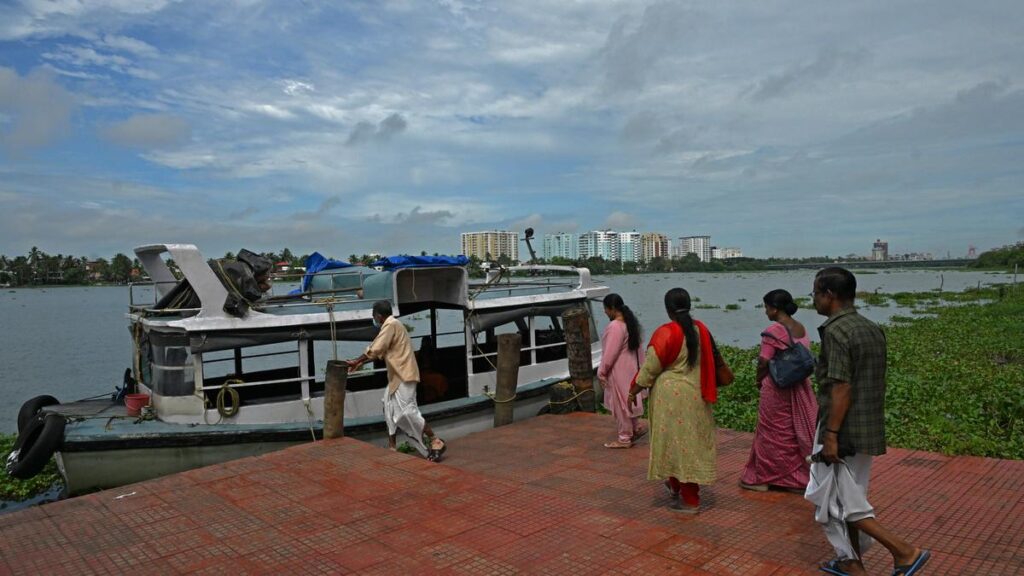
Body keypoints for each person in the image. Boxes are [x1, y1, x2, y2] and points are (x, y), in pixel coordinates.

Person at [807, 268, 930, 576]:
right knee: (848, 497)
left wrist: (831, 434)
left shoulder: (836, 331)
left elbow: (841, 386)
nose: (814, 300)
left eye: (815, 293)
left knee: (829, 501)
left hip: (842, 430)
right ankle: (852, 564)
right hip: (867, 427)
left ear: (829, 295)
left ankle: (904, 551)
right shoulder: (870, 327)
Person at [628, 288, 721, 513]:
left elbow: (650, 369)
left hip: (669, 398)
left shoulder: (666, 333)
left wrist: (633, 390)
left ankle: (690, 501)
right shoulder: (702, 330)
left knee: (674, 442)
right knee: (688, 443)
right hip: (695, 395)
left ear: (668, 309)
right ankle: (675, 484)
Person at [346, 300, 447, 461]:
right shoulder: (393, 326)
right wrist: (359, 362)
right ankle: (392, 447)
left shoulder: (391, 324)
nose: (374, 319)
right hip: (397, 377)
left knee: (407, 412)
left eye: (374, 316)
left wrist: (357, 360)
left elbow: (377, 347)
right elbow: (379, 350)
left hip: (404, 375)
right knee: (389, 408)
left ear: (378, 316)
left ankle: (436, 440)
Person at [739, 289, 819, 492]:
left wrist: (758, 380)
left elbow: (764, 361)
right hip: (798, 386)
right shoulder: (800, 328)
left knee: (770, 432)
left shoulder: (774, 330)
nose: (765, 312)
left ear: (774, 309)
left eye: (766, 307)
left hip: (777, 388)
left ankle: (765, 477)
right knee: (791, 433)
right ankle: (796, 479)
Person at [597, 294, 647, 449]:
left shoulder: (615, 327)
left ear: (612, 309)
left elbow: (610, 353)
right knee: (628, 399)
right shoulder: (630, 324)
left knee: (620, 404)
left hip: (619, 370)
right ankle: (635, 427)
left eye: (605, 309)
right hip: (631, 368)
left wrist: (602, 371)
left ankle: (624, 437)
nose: (605, 313)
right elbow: (639, 351)